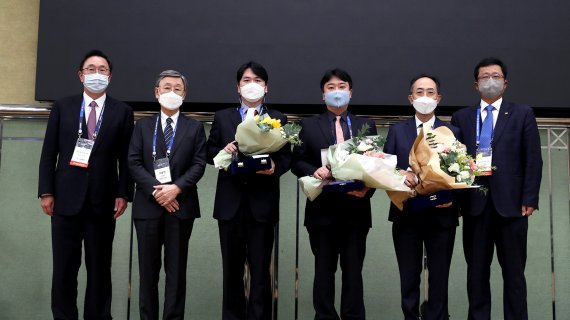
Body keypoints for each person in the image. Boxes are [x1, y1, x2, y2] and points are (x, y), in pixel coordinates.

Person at [38, 49, 134, 319]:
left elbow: (126, 158)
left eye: (102, 70)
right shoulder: (63, 106)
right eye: (90, 69)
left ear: (110, 76)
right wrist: (46, 191)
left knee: (100, 268)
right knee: (65, 269)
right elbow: (49, 152)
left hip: (103, 202)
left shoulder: (122, 111)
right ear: (81, 75)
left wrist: (123, 194)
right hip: (64, 200)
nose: (96, 74)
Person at [451, 57, 542, 320]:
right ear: (475, 84)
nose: (490, 81)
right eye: (484, 77)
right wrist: (457, 202)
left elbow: (533, 159)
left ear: (505, 82)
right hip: (475, 208)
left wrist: (530, 198)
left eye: (496, 76)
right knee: (476, 275)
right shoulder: (461, 117)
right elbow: (453, 162)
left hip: (512, 207)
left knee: (514, 276)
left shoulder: (523, 113)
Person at [206, 61, 291, 319]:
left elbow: (287, 157)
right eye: (246, 80)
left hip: (262, 206)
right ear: (238, 87)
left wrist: (274, 167)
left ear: (266, 87)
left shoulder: (277, 118)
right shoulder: (222, 117)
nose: (251, 85)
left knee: (261, 273)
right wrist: (224, 151)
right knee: (231, 273)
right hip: (229, 206)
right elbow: (209, 153)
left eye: (257, 81)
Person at [291, 68, 376, 320]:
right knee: (323, 271)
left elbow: (375, 165)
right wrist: (313, 170)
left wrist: (367, 188)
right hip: (321, 212)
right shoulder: (307, 125)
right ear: (323, 95)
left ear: (350, 92)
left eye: (341, 87)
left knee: (353, 272)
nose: (336, 92)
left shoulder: (365, 125)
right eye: (331, 88)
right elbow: (296, 161)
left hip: (356, 210)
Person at [128, 70, 207, 319]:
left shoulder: (194, 128)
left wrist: (176, 189)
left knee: (176, 272)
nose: (171, 92)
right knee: (147, 273)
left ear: (184, 95)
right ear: (156, 92)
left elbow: (198, 164)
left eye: (177, 88)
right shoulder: (143, 126)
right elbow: (133, 162)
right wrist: (158, 191)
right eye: (166, 87)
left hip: (181, 207)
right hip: (148, 208)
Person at [383, 74, 459, 320]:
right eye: (419, 92)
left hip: (442, 215)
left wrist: (453, 199)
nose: (424, 97)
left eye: (430, 92)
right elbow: (384, 169)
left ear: (438, 98)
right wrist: (400, 174)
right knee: (408, 277)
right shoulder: (396, 131)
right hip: (406, 214)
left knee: (439, 277)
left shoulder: (453, 131)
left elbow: (463, 171)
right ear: (410, 98)